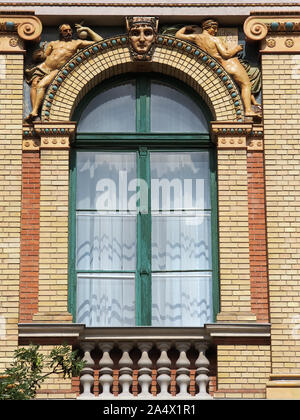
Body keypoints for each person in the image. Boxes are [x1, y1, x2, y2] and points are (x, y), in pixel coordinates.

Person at [176, 19, 258, 117]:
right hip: (230, 64)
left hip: (218, 66)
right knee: (246, 84)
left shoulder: (197, 37)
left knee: (244, 84)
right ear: (209, 28)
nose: (215, 31)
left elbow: (178, 36)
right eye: (214, 29)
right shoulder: (215, 39)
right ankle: (248, 110)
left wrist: (186, 28)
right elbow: (226, 54)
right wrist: (237, 48)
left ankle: (252, 103)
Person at [24, 23, 103, 122]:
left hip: (56, 70)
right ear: (61, 32)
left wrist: (87, 30)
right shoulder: (53, 43)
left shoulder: (76, 43)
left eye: (70, 30)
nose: (69, 32)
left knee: (41, 86)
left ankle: (35, 112)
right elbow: (45, 56)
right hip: (43, 67)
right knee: (34, 84)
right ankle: (35, 114)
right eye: (65, 31)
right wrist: (39, 54)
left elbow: (100, 42)